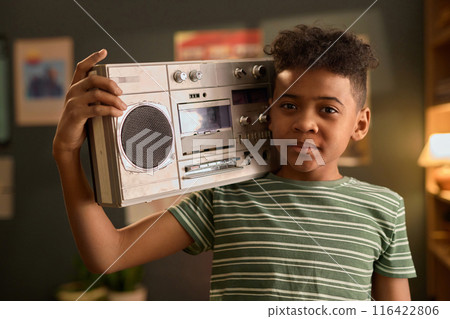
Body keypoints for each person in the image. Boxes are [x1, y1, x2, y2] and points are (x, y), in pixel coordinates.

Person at [53, 25, 416, 301]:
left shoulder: (384, 208)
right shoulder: (225, 197)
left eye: (328, 109)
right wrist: (66, 154)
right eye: (289, 105)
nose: (305, 122)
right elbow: (108, 256)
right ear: (268, 115)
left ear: (360, 124)